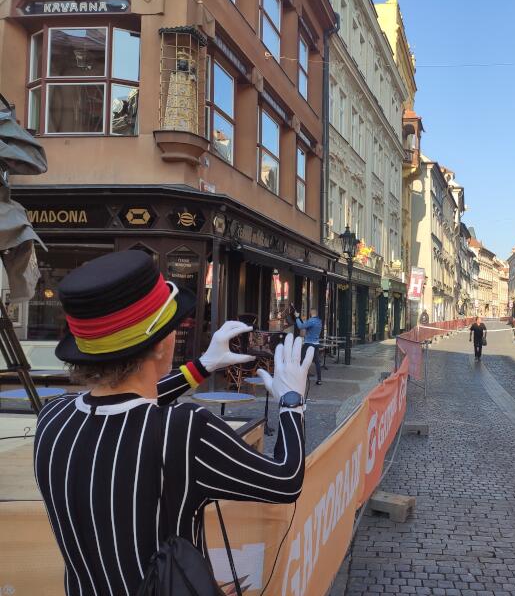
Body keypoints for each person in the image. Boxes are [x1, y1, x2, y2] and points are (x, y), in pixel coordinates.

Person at [33, 250, 314, 596]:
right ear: (160, 345)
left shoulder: (52, 418)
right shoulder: (185, 430)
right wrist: (291, 402)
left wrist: (202, 366)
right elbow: (285, 481)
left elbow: (125, 405)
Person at [295, 307, 323, 384]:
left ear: (311, 313)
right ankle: (319, 380)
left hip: (308, 343)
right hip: (316, 343)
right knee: (317, 362)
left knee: (301, 359)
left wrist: (297, 317)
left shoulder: (311, 320)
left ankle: (299, 378)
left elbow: (300, 326)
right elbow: (307, 326)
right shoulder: (319, 321)